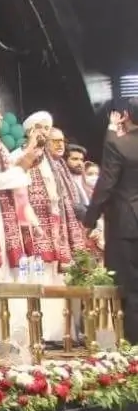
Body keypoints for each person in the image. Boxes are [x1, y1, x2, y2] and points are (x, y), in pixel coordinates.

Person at [82, 97, 138, 343]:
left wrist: (89, 219)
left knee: (128, 287)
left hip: (126, 223)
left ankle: (133, 347)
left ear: (125, 114)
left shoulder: (119, 144)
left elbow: (106, 185)